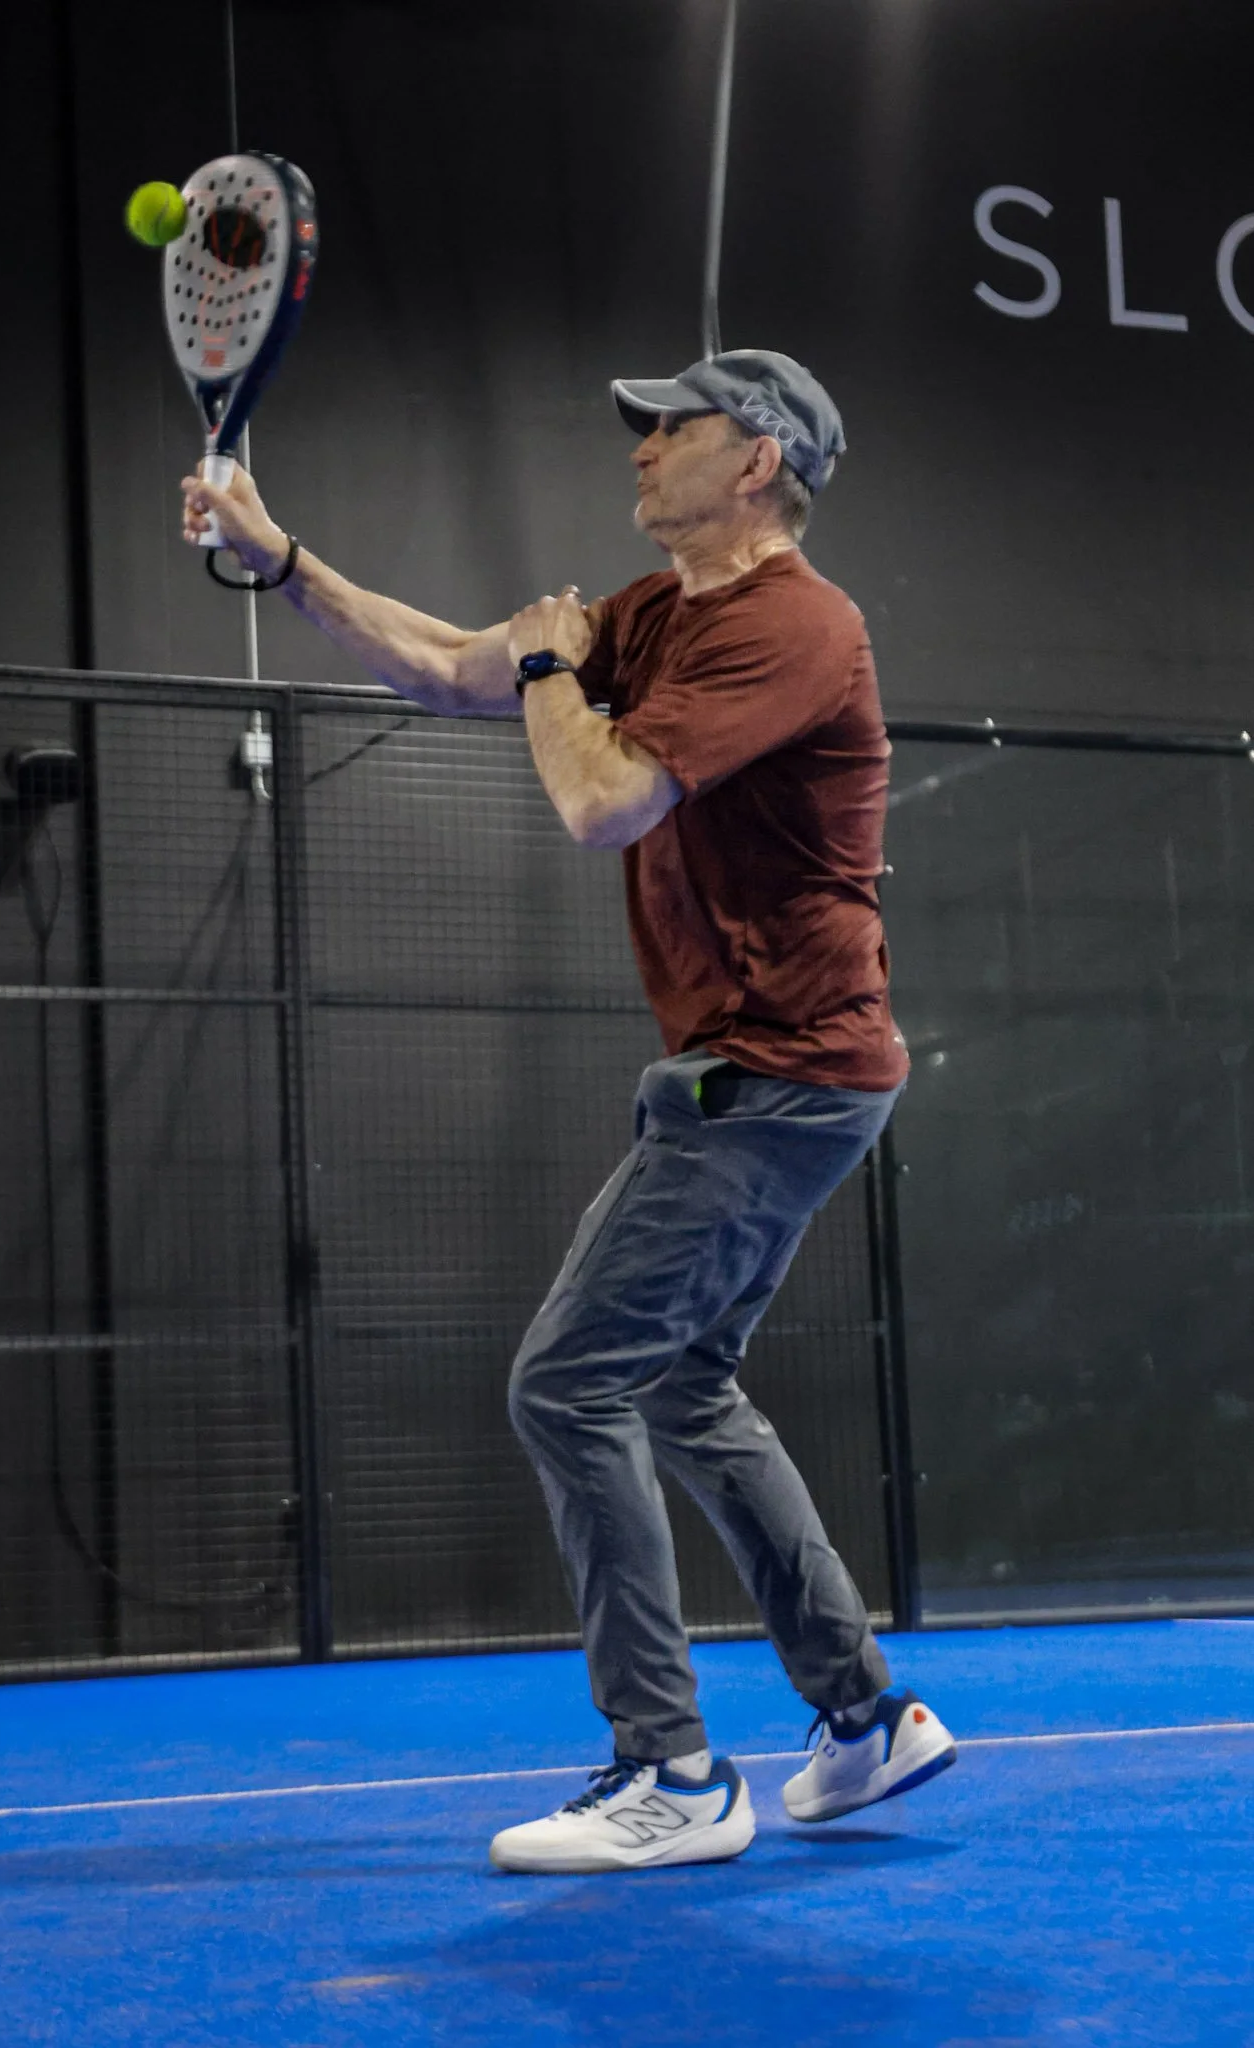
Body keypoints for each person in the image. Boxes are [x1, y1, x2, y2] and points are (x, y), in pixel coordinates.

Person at [182, 347, 956, 1876]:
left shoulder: (799, 625)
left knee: (566, 1383)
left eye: (675, 427)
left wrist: (549, 669)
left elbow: (600, 797)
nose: (640, 449)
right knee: (679, 1385)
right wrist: (284, 566)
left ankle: (672, 1771)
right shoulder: (663, 610)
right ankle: (868, 1720)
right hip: (775, 1077)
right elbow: (454, 666)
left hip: (775, 1079)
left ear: (759, 462)